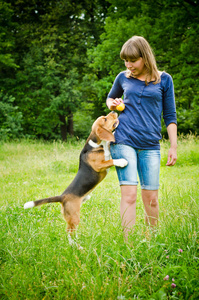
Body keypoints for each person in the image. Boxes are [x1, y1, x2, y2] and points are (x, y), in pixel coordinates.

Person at [106, 36, 177, 240]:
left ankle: (151, 242)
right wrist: (112, 104)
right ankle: (128, 245)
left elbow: (170, 116)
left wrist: (173, 146)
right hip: (124, 140)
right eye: (125, 61)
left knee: (152, 199)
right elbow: (110, 98)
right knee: (129, 195)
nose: (129, 65)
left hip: (151, 144)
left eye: (133, 60)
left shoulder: (165, 79)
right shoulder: (123, 77)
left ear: (145, 57)